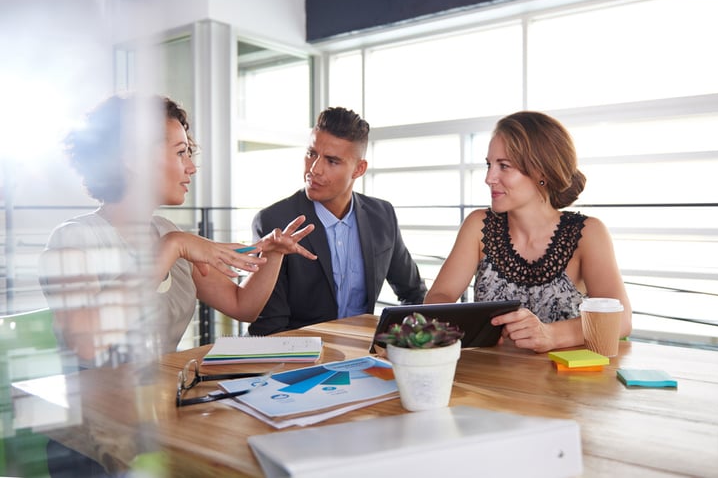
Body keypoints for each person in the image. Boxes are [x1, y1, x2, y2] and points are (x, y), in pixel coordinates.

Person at [39, 94, 317, 371]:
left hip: (164, 398)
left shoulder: (167, 232)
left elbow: (242, 306)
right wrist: (172, 246)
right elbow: (86, 345)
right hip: (104, 408)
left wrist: (274, 255)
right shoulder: (73, 240)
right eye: (180, 152)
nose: (191, 167)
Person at [423, 111, 631, 353]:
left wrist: (551, 335)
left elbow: (622, 319)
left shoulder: (588, 233)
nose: (489, 178)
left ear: (541, 172)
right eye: (489, 165)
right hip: (487, 377)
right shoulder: (478, 226)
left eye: (504, 166)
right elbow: (439, 296)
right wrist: (468, 327)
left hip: (562, 383)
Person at [248, 107, 427, 336]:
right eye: (312, 153)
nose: (314, 169)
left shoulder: (382, 215)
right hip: (298, 361)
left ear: (359, 169)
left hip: (365, 355)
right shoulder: (273, 222)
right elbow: (269, 327)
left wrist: (400, 342)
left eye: (332, 161)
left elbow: (414, 295)